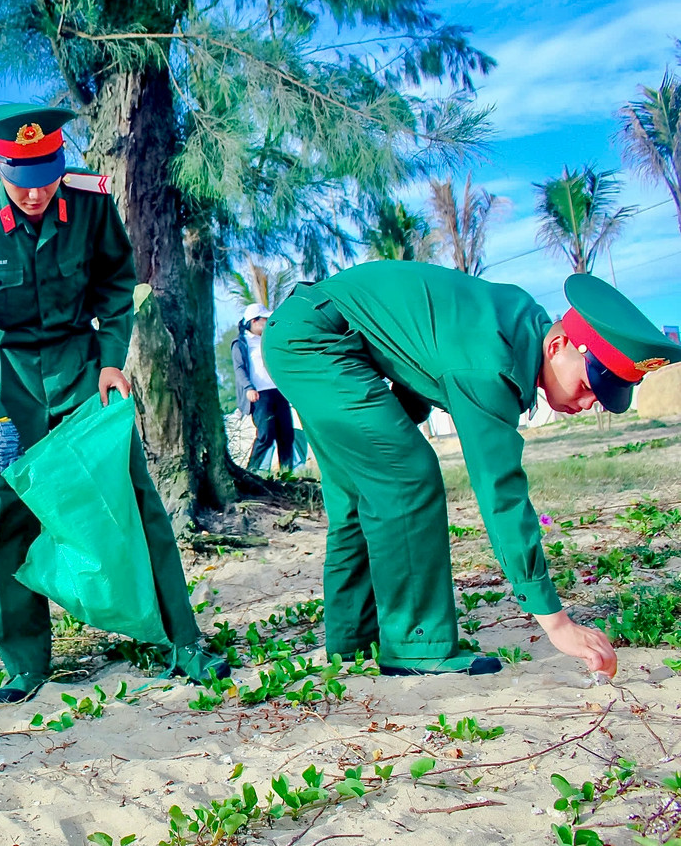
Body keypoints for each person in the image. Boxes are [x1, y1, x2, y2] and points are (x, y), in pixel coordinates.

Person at [0, 103, 230, 704]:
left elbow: (117, 288)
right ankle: (23, 662)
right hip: (8, 383)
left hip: (81, 372)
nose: (38, 191)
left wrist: (113, 360)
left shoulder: (90, 201)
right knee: (10, 518)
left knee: (134, 499)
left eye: (47, 173)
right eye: (22, 176)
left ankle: (184, 641)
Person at [264, 263, 681, 677]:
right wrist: (556, 622)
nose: (590, 402)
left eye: (602, 397)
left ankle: (353, 640)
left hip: (313, 333)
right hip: (317, 343)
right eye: (590, 385)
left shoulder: (521, 322)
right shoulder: (492, 358)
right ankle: (416, 644)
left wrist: (400, 422)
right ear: (558, 347)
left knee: (360, 493)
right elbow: (500, 491)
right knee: (408, 476)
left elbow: (420, 347)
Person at [231, 303, 295, 473]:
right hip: (259, 394)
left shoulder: (268, 340)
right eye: (265, 319)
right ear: (254, 321)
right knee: (266, 435)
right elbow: (239, 369)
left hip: (278, 391)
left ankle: (287, 472)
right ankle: (251, 471)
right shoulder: (240, 343)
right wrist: (248, 388)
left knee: (286, 434)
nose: (268, 322)